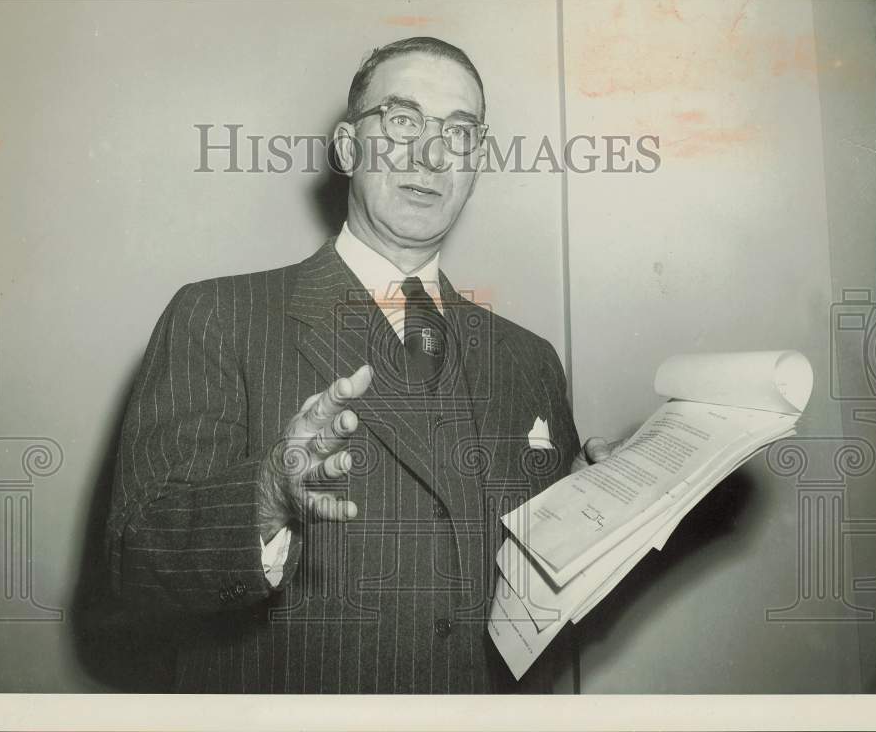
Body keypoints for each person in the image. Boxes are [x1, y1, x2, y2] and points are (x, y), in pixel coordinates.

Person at [105, 36, 608, 693]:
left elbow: (535, 600)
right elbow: (135, 563)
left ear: (476, 160)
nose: (431, 153)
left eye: (458, 131)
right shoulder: (219, 317)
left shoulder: (530, 360)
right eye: (402, 121)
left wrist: (594, 517)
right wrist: (265, 496)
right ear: (348, 148)